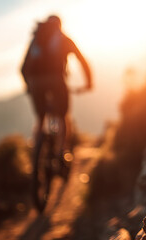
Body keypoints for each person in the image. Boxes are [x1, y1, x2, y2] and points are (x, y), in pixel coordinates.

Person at [21, 15, 92, 162]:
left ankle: (36, 155)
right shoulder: (63, 39)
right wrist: (89, 82)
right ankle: (61, 153)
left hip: (35, 82)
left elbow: (22, 68)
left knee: (40, 119)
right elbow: (82, 60)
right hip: (57, 80)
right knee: (62, 116)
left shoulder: (37, 40)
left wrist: (29, 86)